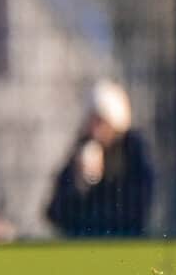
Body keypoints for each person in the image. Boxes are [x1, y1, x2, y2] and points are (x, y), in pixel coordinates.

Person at [46, 79, 153, 237]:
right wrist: (79, 184)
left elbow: (138, 209)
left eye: (100, 121)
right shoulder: (81, 151)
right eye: (91, 121)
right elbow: (56, 213)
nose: (95, 130)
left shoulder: (133, 151)